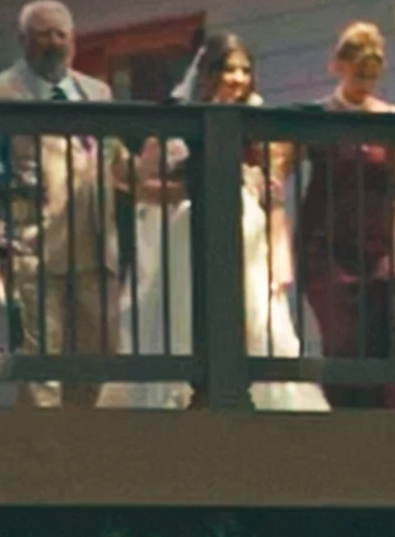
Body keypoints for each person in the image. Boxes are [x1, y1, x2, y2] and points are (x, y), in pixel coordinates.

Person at [101, 34, 329, 412]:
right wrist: (189, 189)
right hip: (187, 239)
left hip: (249, 242)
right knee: (188, 320)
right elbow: (143, 186)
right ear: (208, 74)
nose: (237, 78)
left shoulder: (258, 123)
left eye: (244, 70)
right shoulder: (179, 123)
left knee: (258, 324)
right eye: (228, 68)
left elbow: (273, 197)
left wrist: (279, 258)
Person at [0, 0, 134, 409]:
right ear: (22, 40)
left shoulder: (97, 93)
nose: (53, 43)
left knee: (98, 358)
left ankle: (77, 450)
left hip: (96, 250)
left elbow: (115, 161)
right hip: (33, 252)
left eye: (61, 35)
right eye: (42, 35)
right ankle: (41, 458)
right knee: (39, 366)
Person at [288, 22, 395, 409]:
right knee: (341, 338)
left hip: (375, 246)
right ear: (339, 66)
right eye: (360, 74)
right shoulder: (321, 117)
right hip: (325, 245)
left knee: (380, 336)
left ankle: (378, 425)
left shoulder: (391, 119)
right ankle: (342, 414)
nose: (366, 83)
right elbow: (281, 165)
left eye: (373, 77)